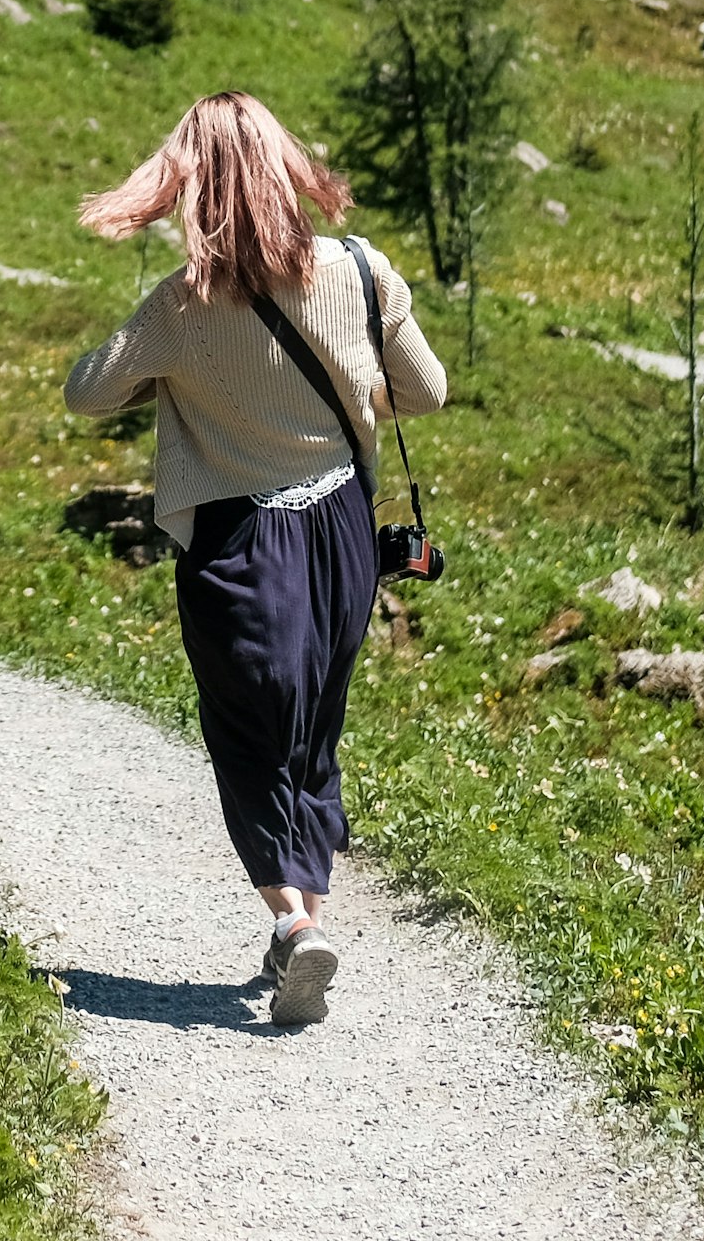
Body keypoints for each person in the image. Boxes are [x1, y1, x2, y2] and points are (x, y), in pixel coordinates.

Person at [63, 91, 449, 1029]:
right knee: (311, 725)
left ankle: (289, 924)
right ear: (286, 170)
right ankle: (304, 923)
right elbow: (426, 391)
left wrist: (186, 370)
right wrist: (342, 396)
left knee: (248, 734)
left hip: (243, 543)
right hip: (346, 536)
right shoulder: (361, 270)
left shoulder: (184, 307)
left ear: (189, 186)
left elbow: (87, 393)